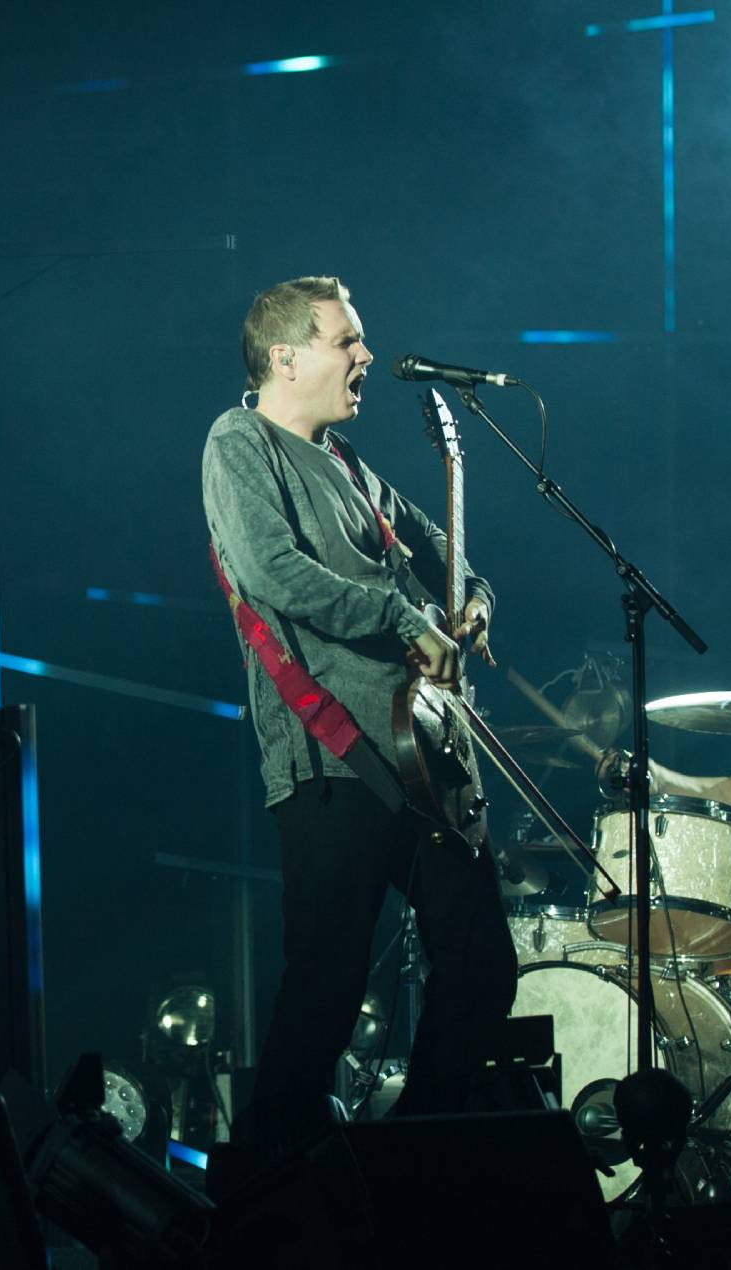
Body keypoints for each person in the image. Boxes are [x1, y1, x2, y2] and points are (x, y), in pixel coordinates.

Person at [200, 276, 517, 1191]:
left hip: (421, 757)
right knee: (327, 991)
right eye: (347, 340)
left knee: (482, 967)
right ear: (285, 357)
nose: (366, 356)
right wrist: (401, 616)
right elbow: (274, 574)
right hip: (332, 762)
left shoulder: (346, 462)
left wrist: (473, 601)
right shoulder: (239, 443)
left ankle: (411, 1166)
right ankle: (257, 1193)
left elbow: (444, 553)